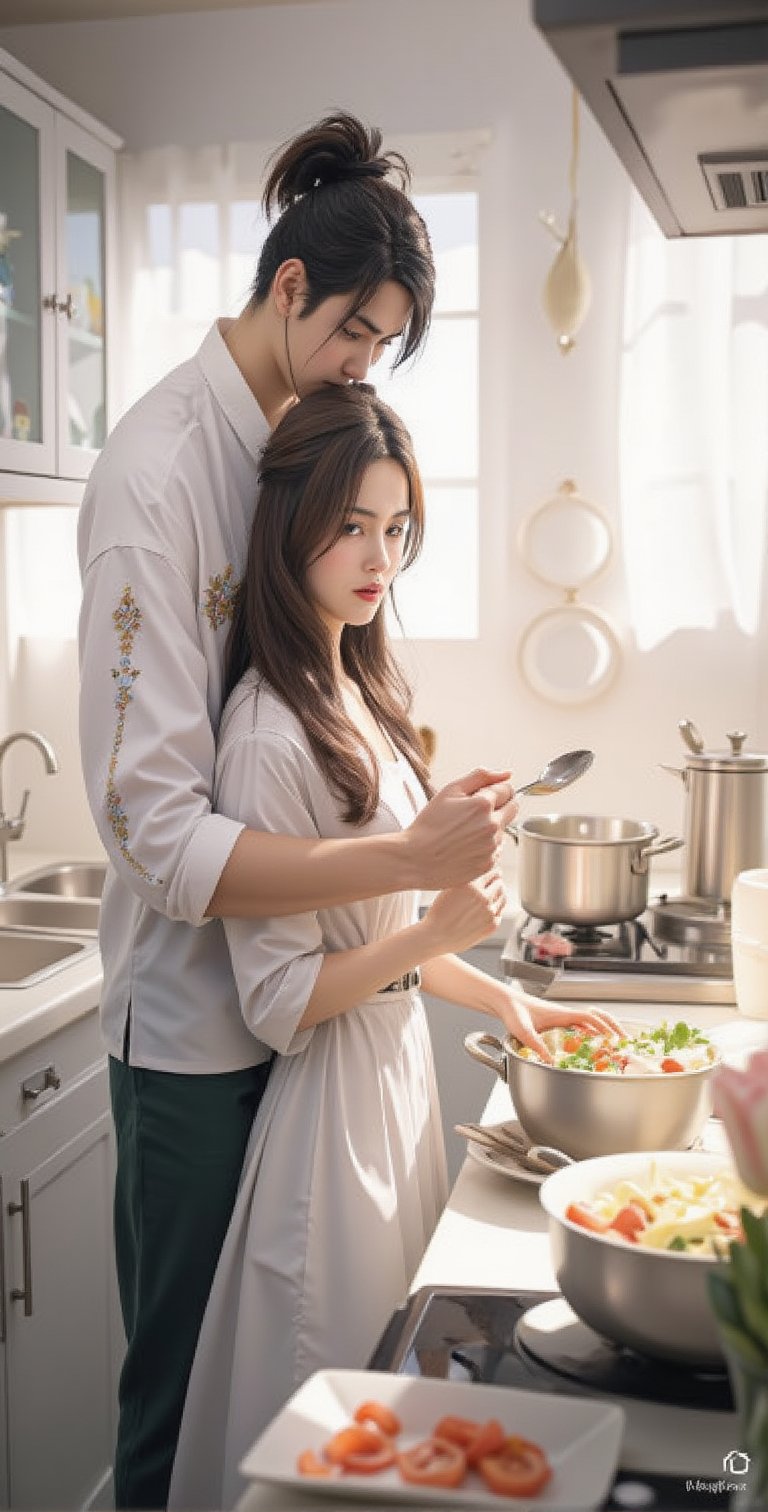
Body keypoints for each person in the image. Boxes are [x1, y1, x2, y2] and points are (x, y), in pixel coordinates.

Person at [77, 113, 517, 1510]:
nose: (363, 368)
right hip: (200, 1040)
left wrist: (407, 862)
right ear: (287, 291)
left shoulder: (290, 453)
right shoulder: (156, 476)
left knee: (295, 1412)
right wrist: (408, 859)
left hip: (305, 1011)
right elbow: (152, 832)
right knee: (183, 1406)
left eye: (384, 351)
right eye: (360, 338)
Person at [167, 385, 621, 1510]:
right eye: (354, 525)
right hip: (328, 1123)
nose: (381, 557)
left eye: (397, 527)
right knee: (338, 1437)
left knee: (394, 1413)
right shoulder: (268, 728)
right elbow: (282, 1000)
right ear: (293, 526)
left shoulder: (352, 689)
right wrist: (430, 921)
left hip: (391, 1085)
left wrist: (503, 1000)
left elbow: (382, 938)